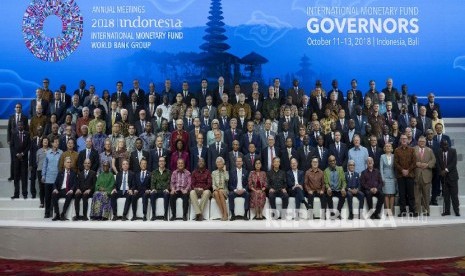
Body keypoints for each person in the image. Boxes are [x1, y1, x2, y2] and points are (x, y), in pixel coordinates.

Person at [394, 134, 417, 217]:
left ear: (408, 140)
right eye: (402, 138)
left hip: (410, 175)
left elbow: (414, 162)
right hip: (400, 176)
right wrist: (402, 170)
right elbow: (395, 163)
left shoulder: (412, 150)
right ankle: (402, 211)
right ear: (400, 140)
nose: (404, 140)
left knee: (411, 194)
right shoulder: (396, 150)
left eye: (405, 138)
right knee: (402, 195)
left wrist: (408, 170)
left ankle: (412, 211)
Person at [414, 136, 436, 216]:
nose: (422, 143)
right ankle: (417, 211)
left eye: (423, 141)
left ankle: (426, 211)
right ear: (418, 142)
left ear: (425, 142)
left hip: (427, 176)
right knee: (416, 195)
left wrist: (427, 165)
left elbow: (434, 161)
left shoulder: (430, 150)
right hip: (416, 176)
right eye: (420, 141)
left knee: (426, 195)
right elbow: (410, 160)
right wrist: (416, 163)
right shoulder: (413, 149)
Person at [437, 140, 460, 216]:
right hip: (444, 178)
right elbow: (437, 164)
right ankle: (447, 211)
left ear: (448, 145)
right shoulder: (439, 152)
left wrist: (446, 170)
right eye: (443, 145)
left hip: (453, 177)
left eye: (446, 145)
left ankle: (456, 211)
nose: (445, 147)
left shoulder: (453, 151)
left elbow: (454, 162)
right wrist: (441, 171)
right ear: (441, 146)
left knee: (454, 196)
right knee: (446, 196)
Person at [42, 137, 63, 218]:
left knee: (54, 197)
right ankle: (47, 212)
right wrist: (43, 175)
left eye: (58, 142)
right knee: (47, 197)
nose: (57, 143)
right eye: (55, 142)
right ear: (52, 143)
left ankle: (53, 212)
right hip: (48, 178)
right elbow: (45, 165)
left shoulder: (61, 153)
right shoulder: (48, 153)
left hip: (56, 179)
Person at [11, 121, 30, 199]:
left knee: (24, 177)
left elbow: (29, 145)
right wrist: (16, 154)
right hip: (16, 159)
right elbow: (12, 146)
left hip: (24, 159)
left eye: (21, 125)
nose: (20, 126)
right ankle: (16, 194)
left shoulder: (27, 134)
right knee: (16, 177)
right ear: (17, 126)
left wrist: (22, 154)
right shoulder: (14, 134)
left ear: (23, 126)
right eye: (18, 125)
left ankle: (25, 194)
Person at [324, 155, 346, 219]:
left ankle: (338, 212)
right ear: (329, 162)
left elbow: (344, 181)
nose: (332, 162)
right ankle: (331, 213)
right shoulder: (326, 171)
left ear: (335, 161)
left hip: (338, 189)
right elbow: (326, 182)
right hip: (331, 189)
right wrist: (328, 188)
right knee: (328, 195)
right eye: (331, 161)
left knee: (343, 195)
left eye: (334, 160)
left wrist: (343, 188)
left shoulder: (340, 169)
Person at [149, 156, 171, 221]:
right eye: (160, 161)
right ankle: (153, 214)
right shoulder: (154, 172)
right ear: (158, 163)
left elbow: (169, 182)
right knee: (152, 194)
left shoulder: (168, 172)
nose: (161, 162)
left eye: (163, 161)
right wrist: (153, 188)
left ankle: (165, 214)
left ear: (165, 163)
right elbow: (152, 182)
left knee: (166, 194)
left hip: (164, 191)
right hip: (157, 190)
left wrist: (167, 188)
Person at [379, 143, 397, 216]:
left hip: (392, 177)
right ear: (384, 148)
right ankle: (387, 210)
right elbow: (381, 168)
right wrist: (382, 178)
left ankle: (391, 210)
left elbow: (396, 167)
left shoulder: (394, 156)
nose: (388, 147)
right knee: (386, 194)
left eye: (389, 146)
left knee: (392, 194)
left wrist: (396, 177)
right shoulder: (382, 156)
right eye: (386, 146)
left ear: (391, 148)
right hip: (385, 177)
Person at [36, 137, 49, 208]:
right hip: (40, 170)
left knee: (47, 187)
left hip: (48, 171)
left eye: (47, 141)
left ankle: (48, 203)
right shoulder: (38, 151)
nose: (45, 142)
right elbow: (37, 161)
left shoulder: (50, 150)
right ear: (42, 142)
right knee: (41, 187)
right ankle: (41, 202)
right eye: (44, 140)